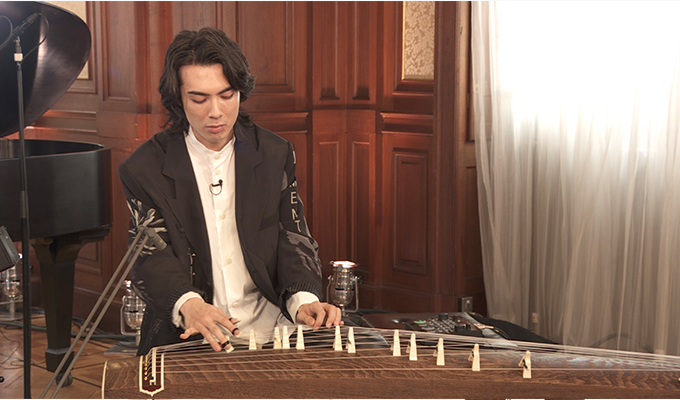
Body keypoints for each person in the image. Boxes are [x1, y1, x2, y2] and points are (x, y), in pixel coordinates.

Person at [119, 27, 342, 355]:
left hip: (270, 329)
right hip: (191, 335)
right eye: (199, 99)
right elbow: (150, 256)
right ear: (178, 99)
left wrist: (302, 300)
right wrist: (189, 304)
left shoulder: (274, 153)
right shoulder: (144, 167)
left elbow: (293, 236)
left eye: (226, 95)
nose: (216, 112)